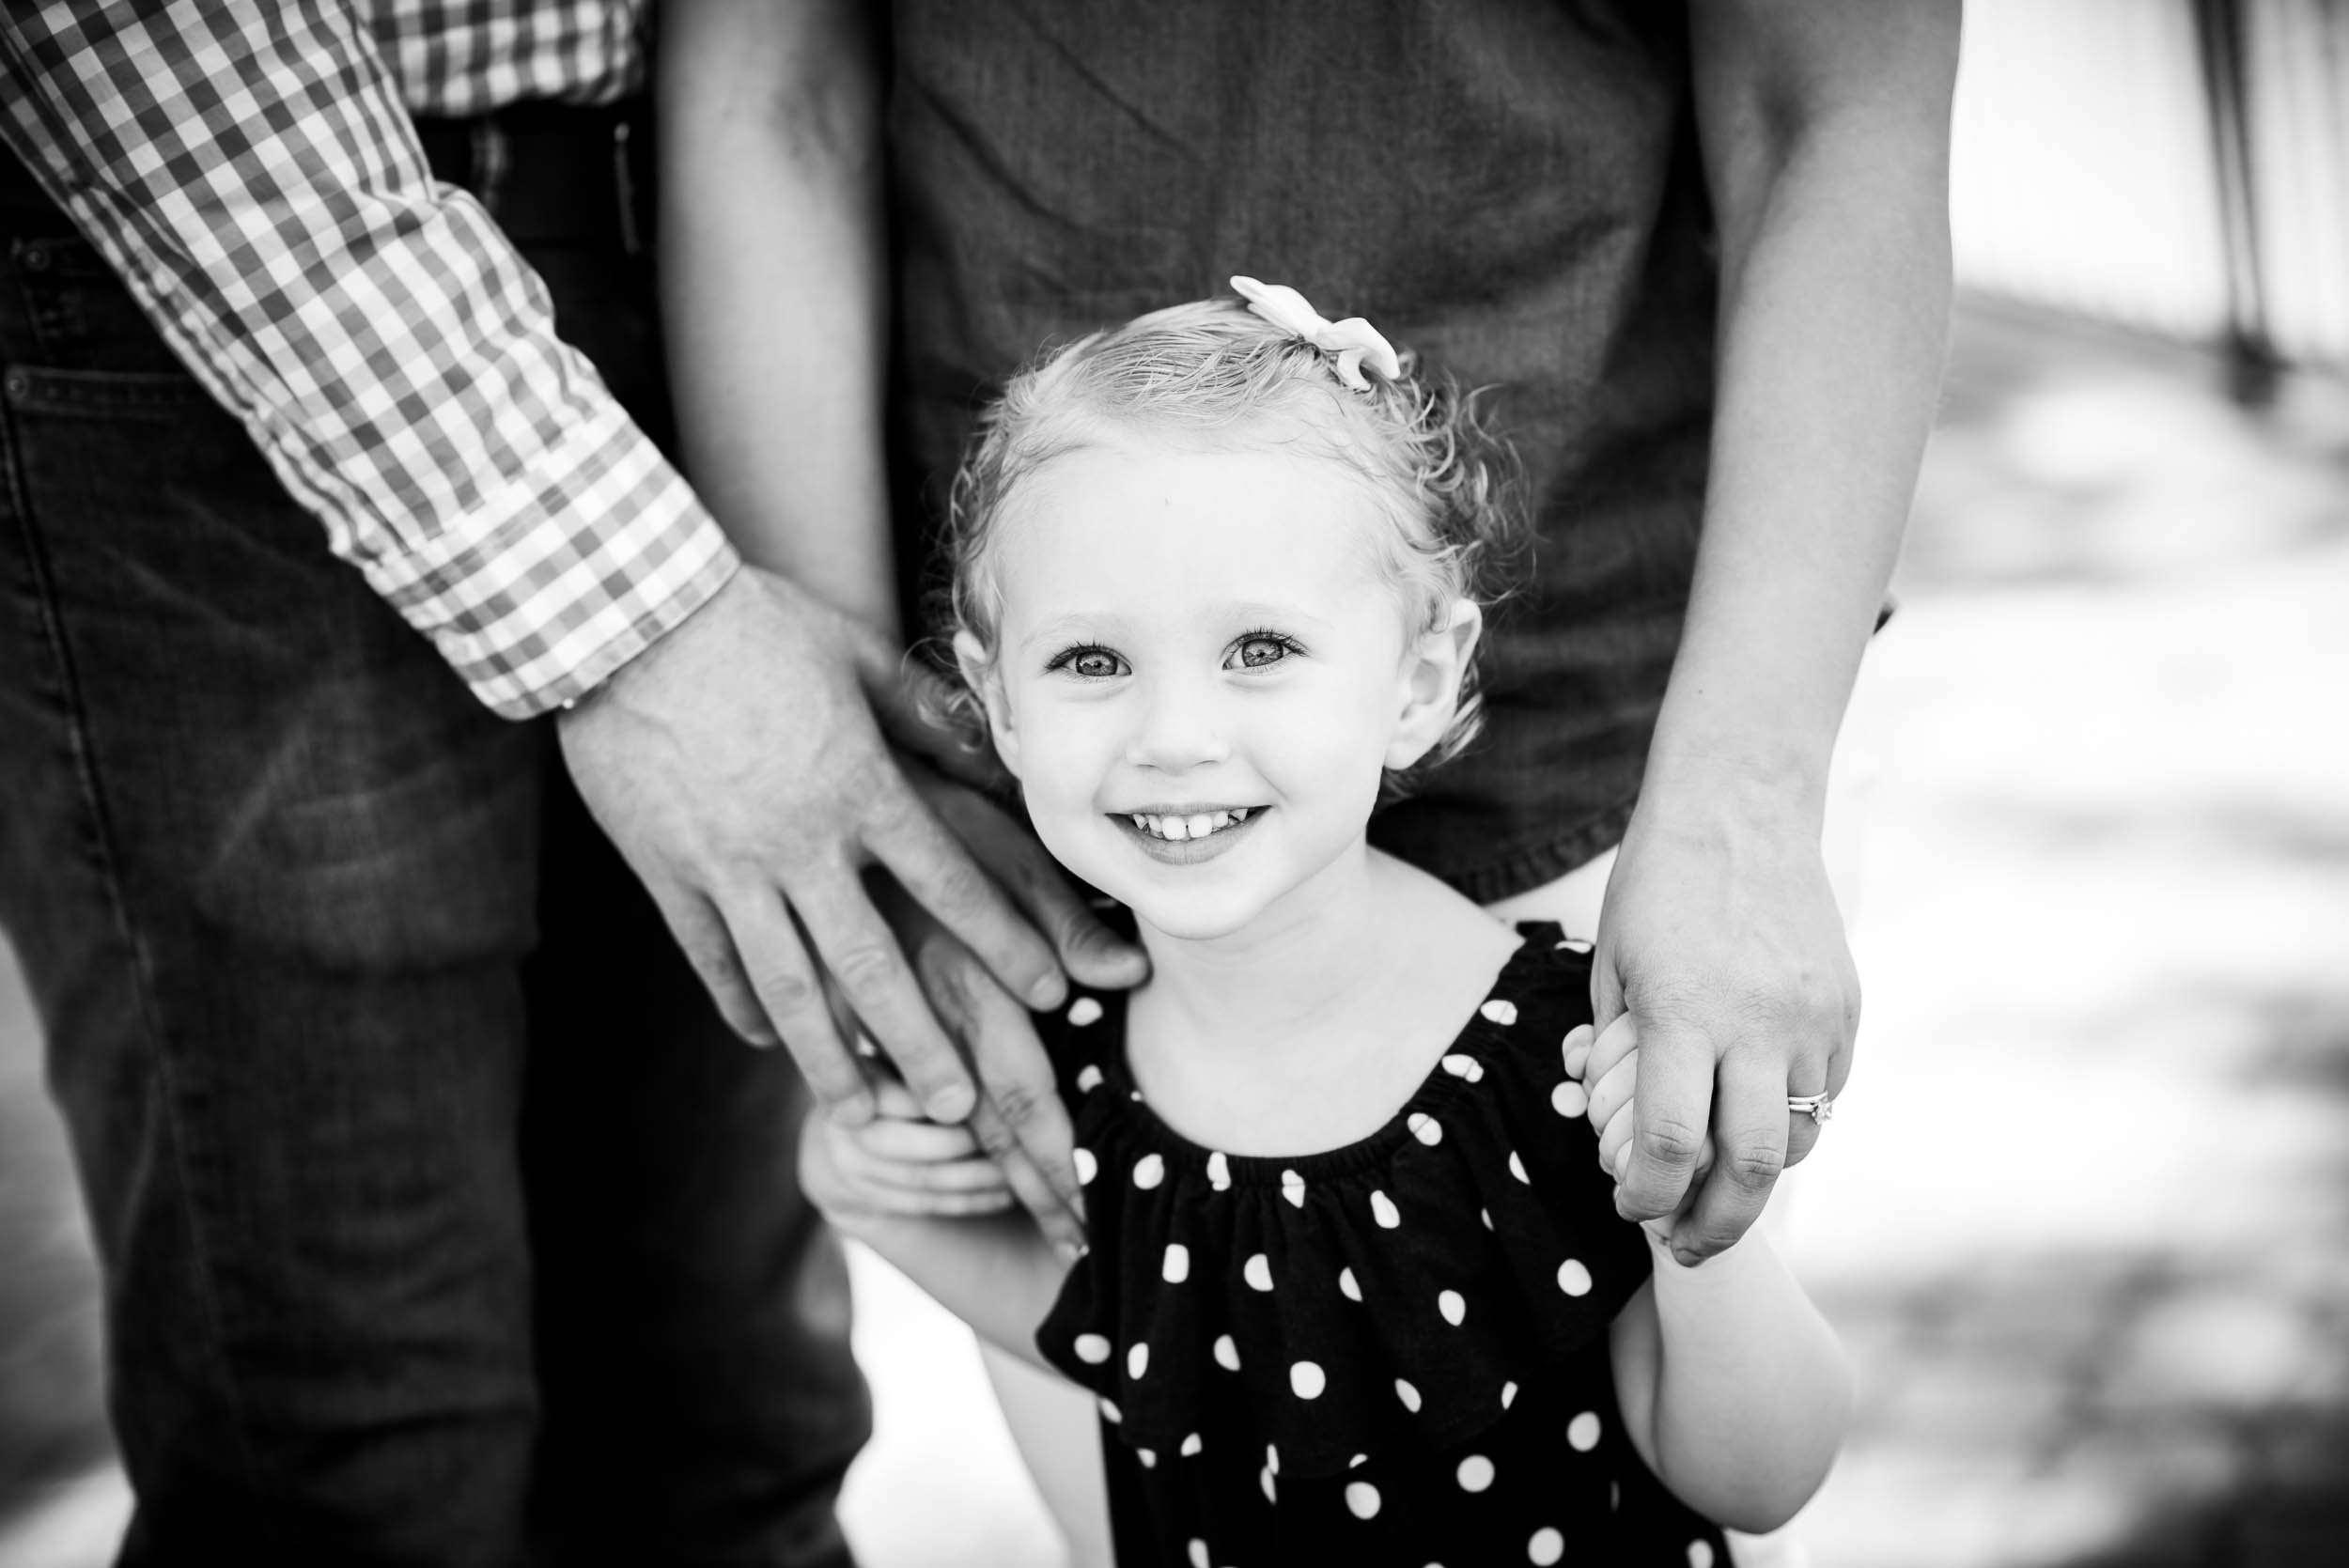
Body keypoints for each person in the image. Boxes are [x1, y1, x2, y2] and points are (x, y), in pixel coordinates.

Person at [0, 3, 1131, 1560]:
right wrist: (634, 622)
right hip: (230, 296)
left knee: (730, 1420)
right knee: (365, 1462)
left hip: (704, 250)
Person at [798, 287, 1853, 1567]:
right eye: (1090, 662)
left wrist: (1697, 1238)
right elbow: (1100, 1332)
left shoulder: (1560, 1056)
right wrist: (854, 1184)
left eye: (1258, 648)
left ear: (1416, 681)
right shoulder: (1069, 1080)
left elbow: (1762, 1477)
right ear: (996, 701)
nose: (1174, 736)